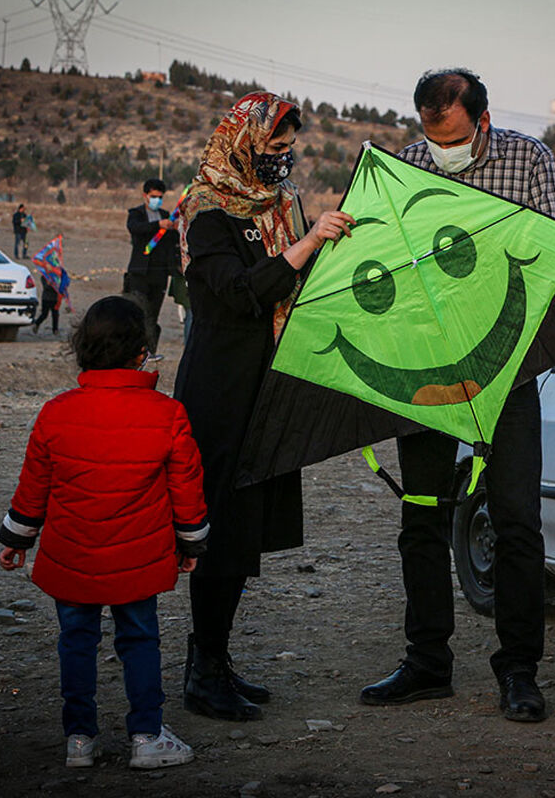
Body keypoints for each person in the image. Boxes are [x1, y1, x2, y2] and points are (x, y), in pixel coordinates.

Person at [359, 68, 555, 723]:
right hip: (423, 370)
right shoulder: (402, 169)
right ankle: (426, 665)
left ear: (481, 118)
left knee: (516, 521)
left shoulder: (528, 159)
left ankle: (518, 672)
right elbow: (378, 260)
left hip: (506, 369)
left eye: (447, 132)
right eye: (427, 132)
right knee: (420, 515)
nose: (437, 146)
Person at [173, 92, 353, 722]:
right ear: (242, 142)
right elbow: (237, 293)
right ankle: (202, 672)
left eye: (287, 147)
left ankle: (216, 659)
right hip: (220, 391)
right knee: (218, 526)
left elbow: (299, 289)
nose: (283, 157)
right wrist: (306, 246)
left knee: (245, 529)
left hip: (269, 387)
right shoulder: (206, 210)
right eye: (273, 146)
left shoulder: (279, 205)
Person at [0, 295, 209, 770]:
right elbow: (187, 489)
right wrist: (191, 541)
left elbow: (33, 487)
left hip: (72, 557)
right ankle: (147, 736)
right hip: (138, 559)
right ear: (141, 353)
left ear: (82, 349)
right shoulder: (167, 413)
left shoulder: (56, 412)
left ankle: (79, 740)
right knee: (139, 640)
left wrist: (16, 540)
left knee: (75, 640)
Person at [124, 178, 178, 352]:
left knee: (153, 315)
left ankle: (150, 351)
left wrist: (175, 229)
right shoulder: (136, 214)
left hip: (159, 274)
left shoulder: (165, 215)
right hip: (140, 273)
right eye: (154, 196)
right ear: (145, 196)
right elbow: (136, 229)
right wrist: (157, 225)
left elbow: (171, 242)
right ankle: (133, 350)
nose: (157, 200)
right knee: (137, 313)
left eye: (160, 197)